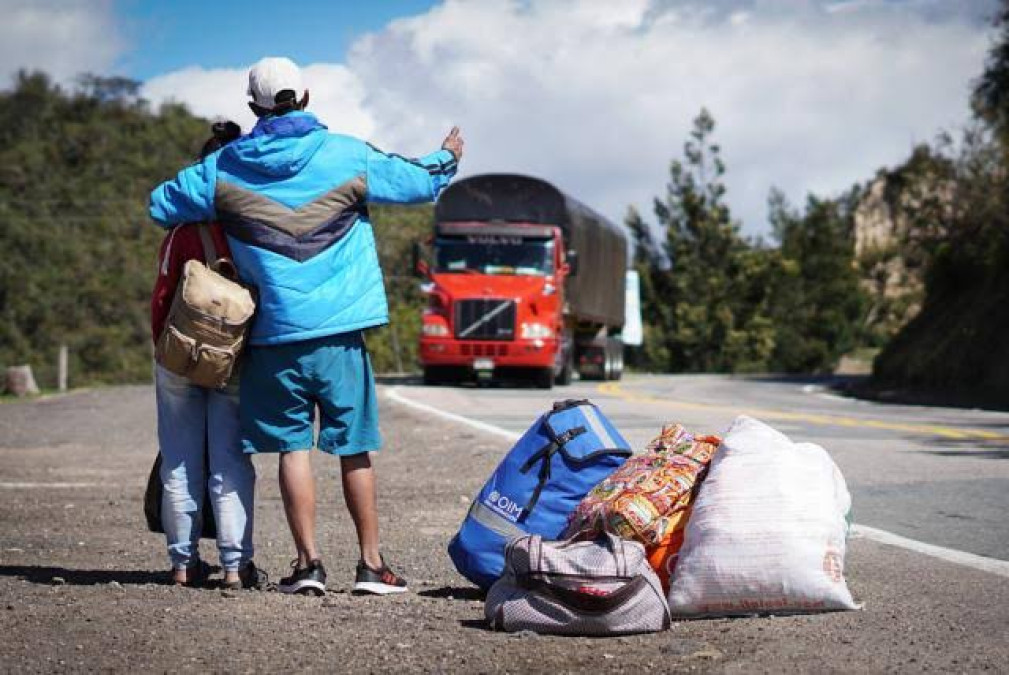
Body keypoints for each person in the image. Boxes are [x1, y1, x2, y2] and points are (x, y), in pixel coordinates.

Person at [149, 57, 463, 595]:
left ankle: (307, 565)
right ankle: (370, 566)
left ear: (254, 108)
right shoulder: (346, 154)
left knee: (293, 450)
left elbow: (161, 204)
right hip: (341, 335)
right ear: (308, 97)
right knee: (353, 449)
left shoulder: (225, 167)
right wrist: (447, 157)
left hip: (273, 337)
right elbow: (417, 181)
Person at [151, 121, 264, 590]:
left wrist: (167, 350)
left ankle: (182, 563)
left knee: (179, 459)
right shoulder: (254, 229)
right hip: (233, 359)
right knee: (230, 462)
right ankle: (236, 566)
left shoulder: (181, 231)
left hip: (178, 356)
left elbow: (161, 298)